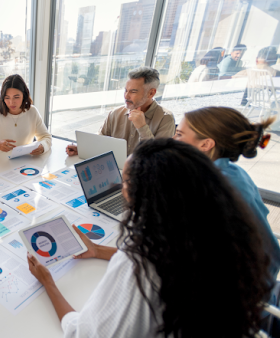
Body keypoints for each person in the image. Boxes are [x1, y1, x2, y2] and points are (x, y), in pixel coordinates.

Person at [28, 138, 272, 337]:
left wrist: (48, 283)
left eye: (124, 181)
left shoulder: (139, 263)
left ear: (146, 194)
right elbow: (167, 259)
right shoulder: (214, 232)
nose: (120, 187)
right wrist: (99, 251)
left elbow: (85, 333)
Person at [173, 106, 280, 277]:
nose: (172, 139)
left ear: (206, 144)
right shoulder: (232, 172)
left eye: (179, 134)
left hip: (240, 291)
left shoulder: (213, 188)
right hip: (262, 275)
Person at [65, 67, 175, 156]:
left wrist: (142, 127)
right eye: (126, 90)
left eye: (133, 91)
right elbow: (100, 139)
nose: (126, 96)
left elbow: (159, 158)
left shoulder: (165, 118)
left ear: (151, 93)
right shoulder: (116, 113)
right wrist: (83, 149)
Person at [0, 74, 52, 156]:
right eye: (7, 98)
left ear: (24, 95)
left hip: (26, 162)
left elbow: (46, 137)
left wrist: (42, 146)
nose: (11, 102)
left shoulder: (32, 112)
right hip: (1, 165)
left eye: (16, 97)